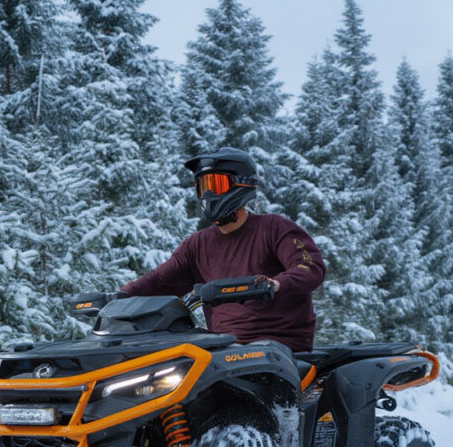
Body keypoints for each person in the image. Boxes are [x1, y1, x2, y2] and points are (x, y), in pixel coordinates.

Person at [122, 147, 326, 352]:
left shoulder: (274, 228)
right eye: (204, 186)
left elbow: (310, 266)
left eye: (217, 185)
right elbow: (158, 282)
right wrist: (121, 296)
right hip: (224, 348)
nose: (209, 193)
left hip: (278, 344)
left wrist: (276, 284)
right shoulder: (198, 244)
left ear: (242, 184)